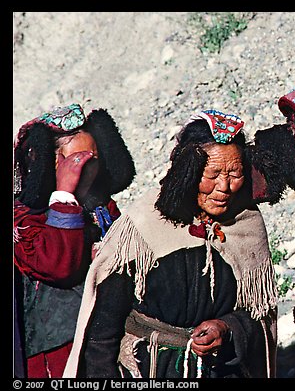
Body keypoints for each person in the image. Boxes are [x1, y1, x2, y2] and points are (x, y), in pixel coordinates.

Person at [63, 109, 278, 378]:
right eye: (212, 174)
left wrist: (228, 327)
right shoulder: (142, 226)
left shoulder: (246, 223)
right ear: (187, 172)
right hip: (150, 369)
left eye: (235, 173)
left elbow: (260, 315)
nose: (224, 186)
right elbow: (103, 329)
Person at [13, 103, 136, 378]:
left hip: (101, 341)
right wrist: (64, 194)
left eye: (94, 159)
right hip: (52, 355)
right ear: (50, 162)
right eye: (78, 161)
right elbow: (58, 265)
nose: (89, 169)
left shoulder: (99, 205)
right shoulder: (22, 218)